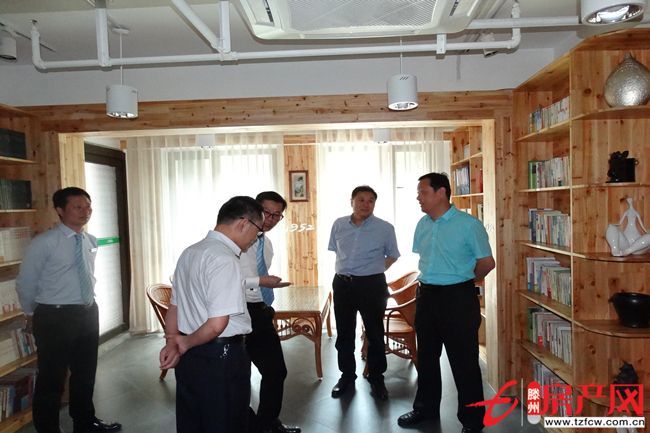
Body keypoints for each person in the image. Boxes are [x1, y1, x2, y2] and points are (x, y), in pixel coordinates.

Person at [16, 187, 121, 433]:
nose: (86, 211)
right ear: (60, 210)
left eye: (88, 206)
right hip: (55, 316)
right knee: (52, 378)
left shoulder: (89, 240)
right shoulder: (44, 242)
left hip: (87, 312)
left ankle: (85, 423)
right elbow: (26, 282)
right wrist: (30, 312)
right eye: (78, 207)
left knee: (85, 374)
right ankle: (48, 429)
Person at [397, 173, 495, 433]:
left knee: (464, 363)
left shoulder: (469, 225)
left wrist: (463, 280)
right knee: (427, 357)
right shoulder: (422, 224)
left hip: (458, 299)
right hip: (426, 296)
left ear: (441, 193)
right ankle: (425, 409)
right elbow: (427, 259)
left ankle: (472, 421)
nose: (418, 197)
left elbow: (487, 263)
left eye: (423, 192)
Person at [159, 196, 264, 433]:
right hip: (220, 356)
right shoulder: (224, 259)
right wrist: (183, 343)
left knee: (193, 420)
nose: (255, 239)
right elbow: (217, 324)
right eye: (257, 231)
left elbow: (174, 306)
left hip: (191, 356)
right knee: (226, 421)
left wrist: (173, 341)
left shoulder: (190, 251)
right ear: (244, 223)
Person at [327, 185, 400, 401]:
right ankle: (347, 376)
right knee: (344, 332)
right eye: (361, 200)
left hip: (372, 286)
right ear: (351, 201)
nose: (365, 204)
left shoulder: (385, 228)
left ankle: (377, 377)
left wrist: (373, 270)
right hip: (343, 284)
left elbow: (393, 255)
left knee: (375, 334)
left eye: (370, 201)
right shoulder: (339, 224)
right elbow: (335, 250)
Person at [240, 191, 299, 433]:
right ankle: (245, 423)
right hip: (236, 312)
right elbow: (226, 281)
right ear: (254, 210)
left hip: (260, 311)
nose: (271, 219)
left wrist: (263, 286)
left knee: (276, 371)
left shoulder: (267, 244)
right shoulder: (237, 240)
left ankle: (267, 424)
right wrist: (261, 281)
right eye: (267, 212)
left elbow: (257, 279)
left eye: (277, 215)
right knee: (239, 376)